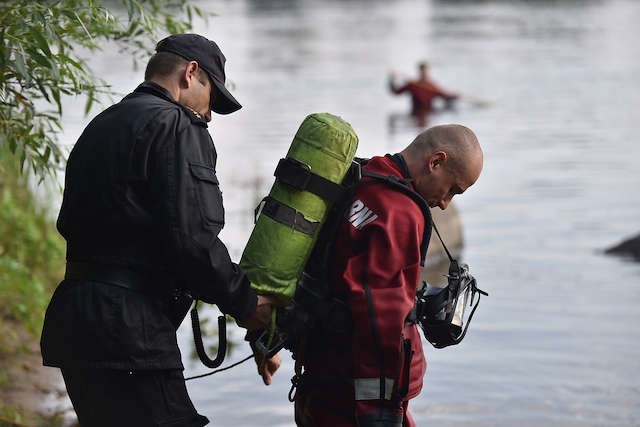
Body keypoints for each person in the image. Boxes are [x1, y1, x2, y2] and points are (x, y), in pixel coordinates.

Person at [40, 33, 280, 427]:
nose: (210, 114)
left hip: (77, 320)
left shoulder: (102, 124)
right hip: (130, 332)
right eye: (212, 98)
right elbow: (192, 240)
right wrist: (248, 305)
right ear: (190, 73)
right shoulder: (177, 126)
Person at [293, 124, 483, 427]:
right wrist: (378, 412)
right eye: (452, 189)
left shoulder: (365, 177)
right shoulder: (399, 212)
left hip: (321, 377)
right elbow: (381, 314)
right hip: (354, 399)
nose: (446, 203)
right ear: (436, 162)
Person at [389, 62, 459, 125]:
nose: (424, 73)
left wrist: (454, 96)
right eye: (423, 71)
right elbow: (396, 92)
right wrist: (392, 80)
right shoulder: (413, 85)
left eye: (426, 71)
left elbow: (445, 96)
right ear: (420, 71)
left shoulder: (431, 86)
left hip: (428, 112)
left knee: (447, 108)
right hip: (415, 113)